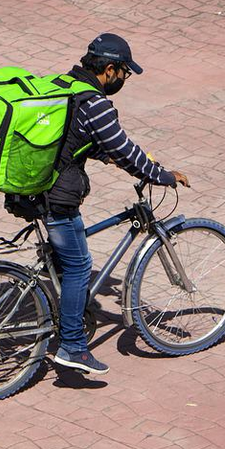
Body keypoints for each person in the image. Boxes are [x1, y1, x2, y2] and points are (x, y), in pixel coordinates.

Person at [48, 33, 190, 375]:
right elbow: (126, 150)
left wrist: (103, 155)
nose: (124, 80)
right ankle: (72, 347)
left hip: (33, 186)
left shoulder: (62, 84)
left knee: (65, 264)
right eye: (124, 73)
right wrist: (162, 175)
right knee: (80, 265)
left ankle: (53, 309)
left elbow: (70, 137)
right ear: (109, 70)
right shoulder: (95, 103)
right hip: (57, 195)